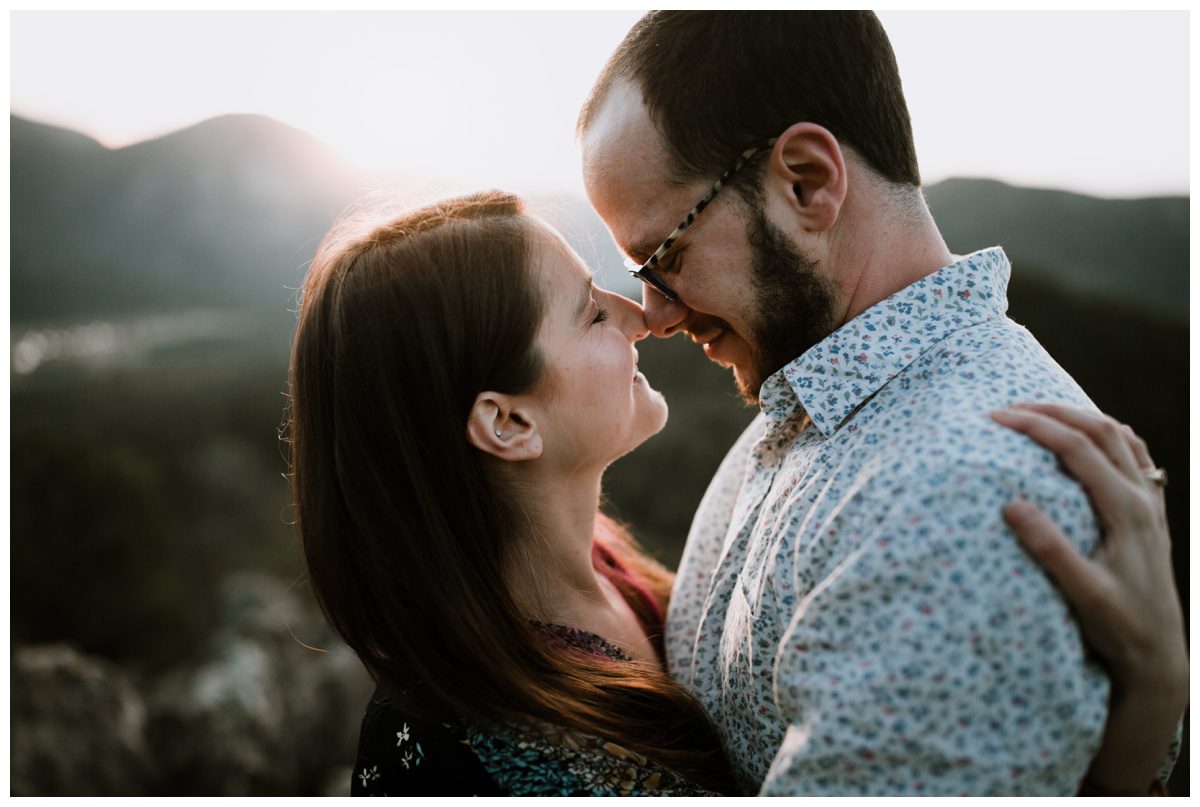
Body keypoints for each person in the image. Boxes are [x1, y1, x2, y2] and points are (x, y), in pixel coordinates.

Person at [285, 190, 1184, 796]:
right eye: (593, 311)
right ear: (509, 423)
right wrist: (1149, 700)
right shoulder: (508, 759)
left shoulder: (599, 574)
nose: (643, 314)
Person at [576, 11, 1187, 796]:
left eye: (664, 257)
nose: (654, 314)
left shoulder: (961, 506)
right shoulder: (809, 403)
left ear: (808, 181)